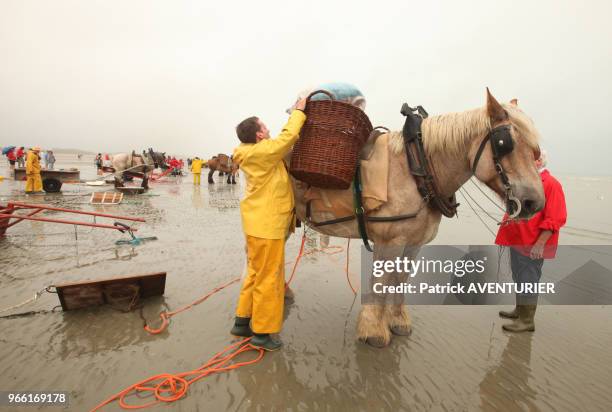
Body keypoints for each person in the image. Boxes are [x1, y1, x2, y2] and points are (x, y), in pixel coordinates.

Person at [229, 97, 307, 351]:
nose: (269, 129)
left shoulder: (250, 152)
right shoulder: (263, 151)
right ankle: (262, 334)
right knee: (269, 279)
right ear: (259, 134)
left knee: (254, 272)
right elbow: (287, 138)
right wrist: (298, 112)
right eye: (265, 127)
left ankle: (242, 321)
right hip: (268, 225)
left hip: (255, 224)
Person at [495, 150, 567, 332]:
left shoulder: (551, 184)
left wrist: (540, 244)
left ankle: (527, 321)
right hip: (517, 240)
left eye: (531, 160)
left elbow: (556, 218)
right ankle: (520, 311)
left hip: (533, 243)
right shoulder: (525, 183)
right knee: (518, 276)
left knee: (528, 279)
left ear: (540, 162)